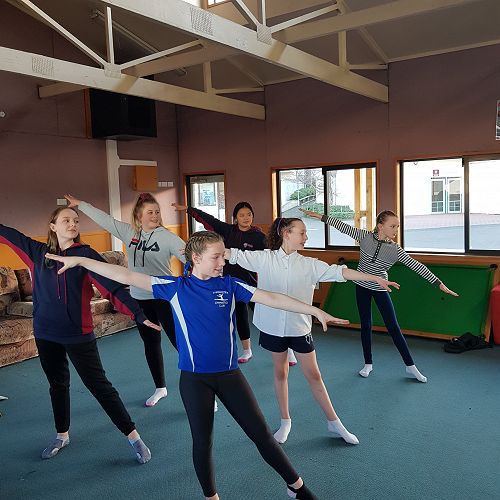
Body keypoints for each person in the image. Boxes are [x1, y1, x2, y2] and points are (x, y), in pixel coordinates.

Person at [45, 230, 349, 500]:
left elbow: (271, 297)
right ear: (196, 258)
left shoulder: (230, 285)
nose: (222, 262)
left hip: (230, 376)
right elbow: (126, 275)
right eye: (216, 257)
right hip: (194, 380)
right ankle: (211, 496)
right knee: (203, 443)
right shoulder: (174, 287)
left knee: (262, 436)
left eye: (223, 256)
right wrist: (81, 261)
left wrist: (313, 311)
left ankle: (297, 487)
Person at [226, 217, 399, 445]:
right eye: (302, 233)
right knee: (280, 373)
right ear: (286, 234)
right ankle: (285, 421)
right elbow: (232, 254)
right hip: (272, 327)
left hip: (299, 328)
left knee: (314, 375)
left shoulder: (309, 264)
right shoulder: (264, 258)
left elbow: (341, 273)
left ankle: (334, 422)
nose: (306, 237)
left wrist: (373, 277)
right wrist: (199, 250)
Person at [0, 208, 154, 463]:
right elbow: (7, 234)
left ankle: (133, 436)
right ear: (53, 226)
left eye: (75, 220)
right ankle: (62, 435)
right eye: (66, 220)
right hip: (45, 333)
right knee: (58, 385)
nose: (72, 224)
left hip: (78, 333)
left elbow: (112, 287)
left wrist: (138, 313)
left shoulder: (86, 256)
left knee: (99, 386)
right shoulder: (37, 253)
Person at [300, 208, 459, 382]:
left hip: (380, 288)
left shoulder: (395, 250)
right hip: (361, 286)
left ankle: (410, 366)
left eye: (397, 226)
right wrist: (320, 217)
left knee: (393, 327)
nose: (396, 230)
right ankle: (368, 364)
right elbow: (342, 226)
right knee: (366, 325)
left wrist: (439, 283)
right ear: (380, 226)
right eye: (393, 226)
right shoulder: (365, 237)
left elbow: (417, 266)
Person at [65, 193, 185, 407]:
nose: (155, 215)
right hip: (140, 298)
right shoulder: (129, 232)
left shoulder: (167, 237)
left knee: (180, 342)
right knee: (151, 343)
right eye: (150, 212)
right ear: (139, 216)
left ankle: (202, 385)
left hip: (164, 297)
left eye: (157, 212)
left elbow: (191, 256)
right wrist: (81, 204)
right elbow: (105, 220)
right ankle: (160, 388)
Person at [172, 201, 272, 364]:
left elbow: (270, 258)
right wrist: (188, 209)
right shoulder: (227, 231)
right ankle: (247, 350)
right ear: (235, 218)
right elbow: (208, 219)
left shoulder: (259, 237)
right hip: (231, 284)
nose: (246, 218)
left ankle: (286, 349)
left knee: (267, 315)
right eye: (241, 215)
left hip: (251, 284)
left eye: (249, 214)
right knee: (240, 316)